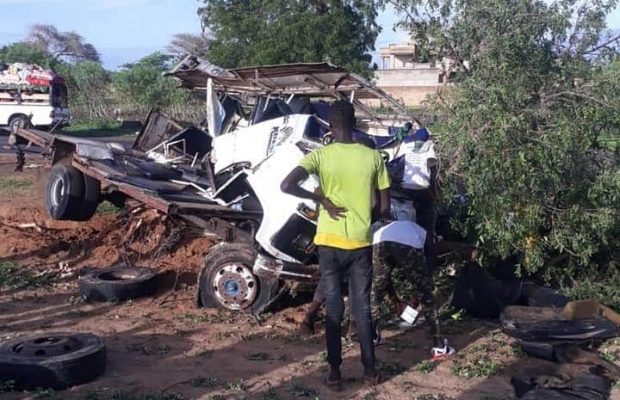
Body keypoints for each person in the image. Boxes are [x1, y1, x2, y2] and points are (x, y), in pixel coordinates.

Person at [281, 100, 391, 390]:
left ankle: (334, 374)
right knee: (362, 308)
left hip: (328, 243)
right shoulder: (373, 157)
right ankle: (370, 372)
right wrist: (366, 220)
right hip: (360, 243)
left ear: (330, 125)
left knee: (333, 310)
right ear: (356, 125)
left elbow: (286, 185)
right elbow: (385, 206)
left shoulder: (319, 156)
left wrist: (322, 200)